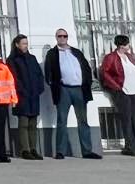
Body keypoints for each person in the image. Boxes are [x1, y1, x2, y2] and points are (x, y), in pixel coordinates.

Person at [43, 29, 100, 160]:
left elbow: (86, 67)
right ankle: (60, 151)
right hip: (63, 89)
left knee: (83, 121)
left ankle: (87, 151)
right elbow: (48, 71)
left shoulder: (76, 52)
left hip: (79, 89)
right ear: (56, 38)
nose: (62, 38)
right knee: (62, 120)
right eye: (60, 36)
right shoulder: (52, 53)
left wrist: (88, 82)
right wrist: (53, 84)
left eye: (65, 36)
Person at [100, 35, 135, 156]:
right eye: (127, 44)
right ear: (121, 45)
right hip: (122, 91)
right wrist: (116, 86)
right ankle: (131, 147)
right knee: (127, 119)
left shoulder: (130, 57)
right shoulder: (111, 57)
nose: (129, 46)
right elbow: (105, 73)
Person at [4, 34, 44, 161]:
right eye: (23, 43)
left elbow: (39, 74)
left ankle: (33, 148)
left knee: (33, 123)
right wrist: (21, 90)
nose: (25, 46)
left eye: (26, 43)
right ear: (17, 45)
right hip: (22, 95)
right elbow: (14, 78)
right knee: (24, 122)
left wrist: (39, 88)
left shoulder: (32, 58)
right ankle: (25, 149)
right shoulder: (12, 59)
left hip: (34, 95)